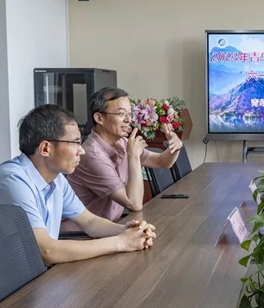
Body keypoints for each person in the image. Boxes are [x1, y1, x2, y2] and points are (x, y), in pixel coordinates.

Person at [0, 105, 156, 265]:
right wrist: (120, 242)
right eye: (75, 143)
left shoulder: (56, 179)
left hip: (34, 276)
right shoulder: (13, 181)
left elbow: (89, 221)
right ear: (46, 148)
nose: (81, 151)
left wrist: (128, 230)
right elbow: (46, 251)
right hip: (4, 289)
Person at [64, 87, 182, 232]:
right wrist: (133, 156)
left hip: (109, 228)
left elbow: (161, 162)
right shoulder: (92, 154)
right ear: (99, 118)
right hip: (81, 235)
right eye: (121, 114)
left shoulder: (122, 142)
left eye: (129, 114)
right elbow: (134, 204)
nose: (128, 120)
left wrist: (175, 146)